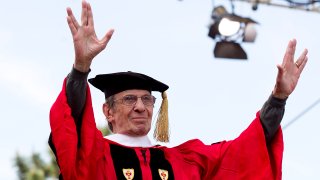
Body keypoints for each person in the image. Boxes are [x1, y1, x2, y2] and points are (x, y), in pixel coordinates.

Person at [48, 1, 308, 179]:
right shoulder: (96, 156)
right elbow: (70, 125)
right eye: (129, 99)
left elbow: (244, 152)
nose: (141, 107)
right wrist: (81, 68)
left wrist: (278, 98)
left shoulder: (184, 162)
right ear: (108, 111)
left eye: (147, 100)